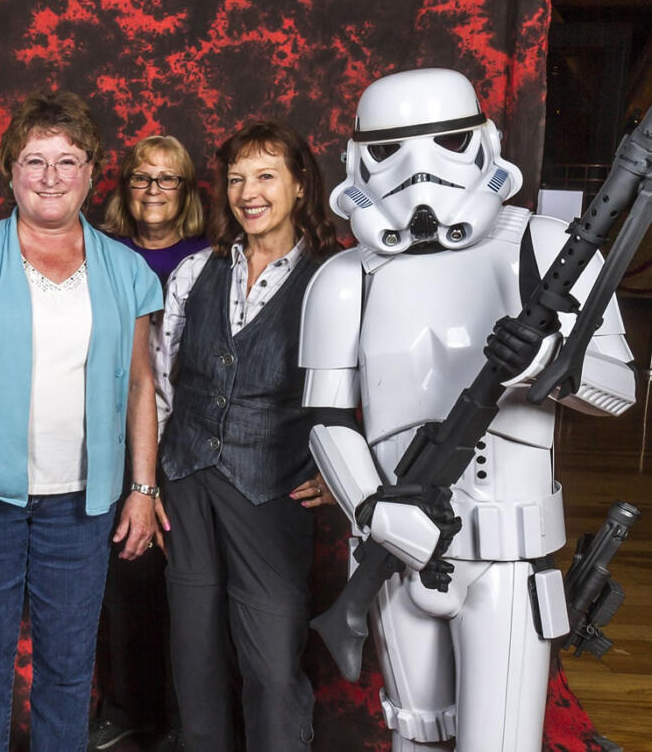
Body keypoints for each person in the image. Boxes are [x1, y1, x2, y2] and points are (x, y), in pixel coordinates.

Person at [301, 68, 636, 751]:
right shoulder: (343, 279)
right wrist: (374, 509)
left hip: (508, 552)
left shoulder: (544, 247)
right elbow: (327, 419)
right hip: (396, 547)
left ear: (482, 142)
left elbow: (620, 390)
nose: (420, 173)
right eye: (392, 149)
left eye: (447, 142)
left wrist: (547, 365)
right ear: (357, 160)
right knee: (414, 736)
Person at [0, 91, 164, 751]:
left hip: (83, 504)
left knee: (68, 664)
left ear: (90, 172)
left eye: (67, 161)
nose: (50, 177)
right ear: (11, 170)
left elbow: (142, 385)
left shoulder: (126, 270)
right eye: (35, 161)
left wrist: (143, 489)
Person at [155, 120, 338, 751]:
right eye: (236, 178)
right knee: (194, 650)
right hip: (184, 479)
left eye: (265, 175)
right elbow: (157, 382)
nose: (248, 191)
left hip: (272, 486)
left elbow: (373, 384)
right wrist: (147, 477)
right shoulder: (194, 271)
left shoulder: (334, 280)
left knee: (269, 657)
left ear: (299, 183)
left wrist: (345, 467)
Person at [90, 134, 207, 750]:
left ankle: (188, 716)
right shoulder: (98, 252)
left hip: (191, 444)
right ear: (124, 187)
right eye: (141, 178)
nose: (154, 191)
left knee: (190, 585)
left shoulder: (212, 259)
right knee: (127, 577)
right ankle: (128, 707)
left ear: (186, 192)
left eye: (169, 180)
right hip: (114, 438)